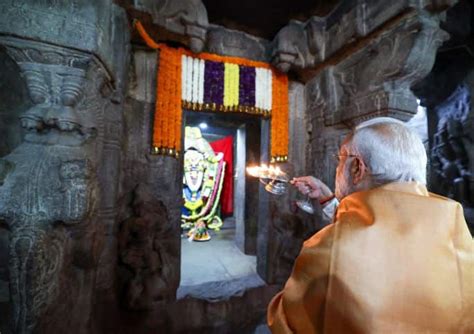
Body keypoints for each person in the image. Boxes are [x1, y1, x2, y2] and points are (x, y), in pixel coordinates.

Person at [267, 117, 474, 333]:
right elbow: (379, 225)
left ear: (357, 168)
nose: (337, 169)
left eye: (339, 160)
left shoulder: (326, 251)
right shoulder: (457, 232)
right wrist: (329, 200)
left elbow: (285, 322)